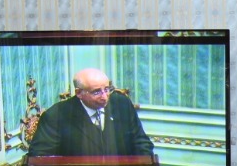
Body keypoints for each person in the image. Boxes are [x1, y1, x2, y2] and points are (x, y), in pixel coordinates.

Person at [26, 68, 156, 160]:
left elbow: (141, 141)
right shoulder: (56, 116)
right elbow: (40, 156)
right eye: (96, 92)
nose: (105, 97)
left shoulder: (122, 104)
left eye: (107, 89)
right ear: (79, 93)